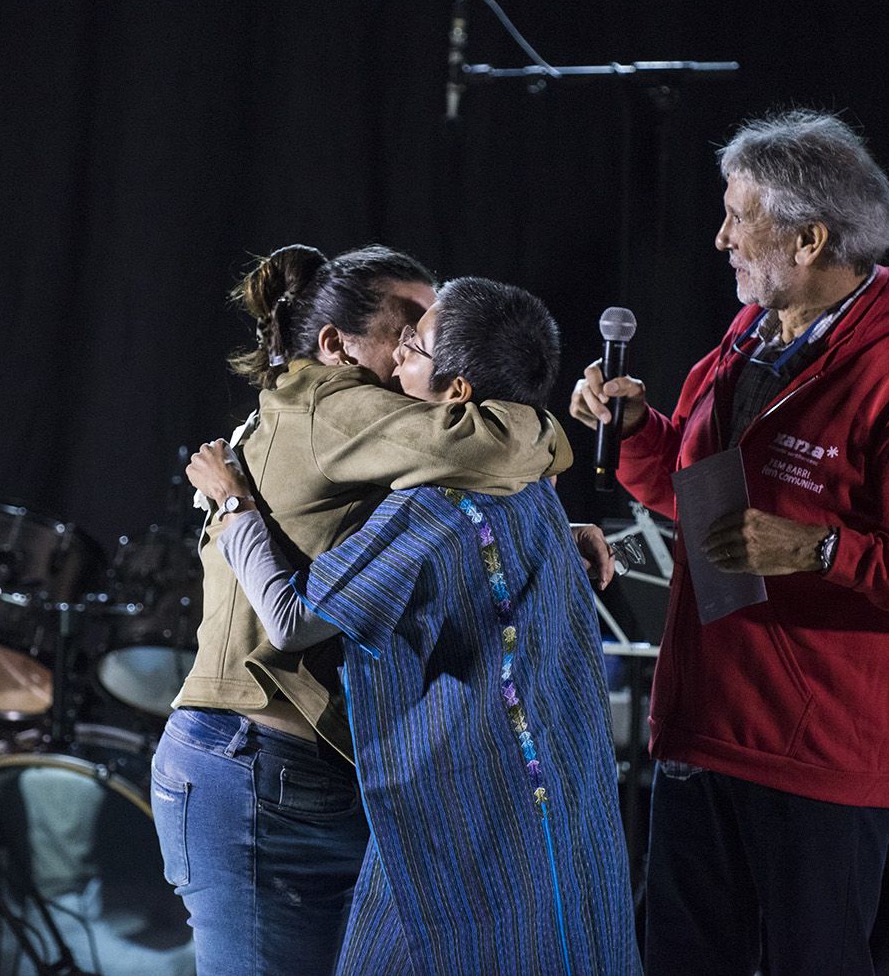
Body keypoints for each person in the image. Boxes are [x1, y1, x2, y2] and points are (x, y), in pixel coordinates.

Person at [569, 109, 889, 975]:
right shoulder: (752, 335)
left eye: (739, 216)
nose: (720, 238)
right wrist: (633, 431)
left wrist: (820, 550)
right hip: (702, 733)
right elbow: (706, 507)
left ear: (809, 238)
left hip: (815, 765)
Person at [155, 244, 590, 975]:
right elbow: (494, 442)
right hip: (259, 769)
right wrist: (549, 428)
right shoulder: (341, 402)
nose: (427, 340)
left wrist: (553, 531)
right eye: (410, 325)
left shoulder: (329, 412)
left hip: (292, 772)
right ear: (336, 345)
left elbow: (422, 541)